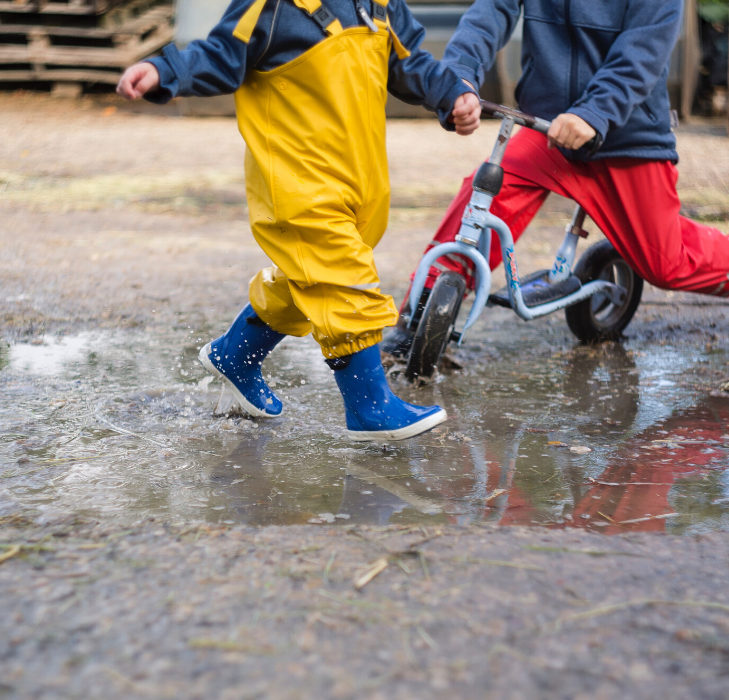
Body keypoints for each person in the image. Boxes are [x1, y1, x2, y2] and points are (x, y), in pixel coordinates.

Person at [116, 0, 484, 440]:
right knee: (343, 279)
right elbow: (220, 54)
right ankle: (370, 407)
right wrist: (165, 71)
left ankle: (236, 354)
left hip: (358, 179)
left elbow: (409, 62)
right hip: (296, 180)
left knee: (309, 277)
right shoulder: (271, 7)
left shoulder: (379, 5)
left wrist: (452, 94)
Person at [381, 0, 729, 359]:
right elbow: (490, 12)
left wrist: (593, 112)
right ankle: (419, 315)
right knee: (484, 200)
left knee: (666, 263)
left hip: (624, 136)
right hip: (545, 127)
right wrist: (459, 80)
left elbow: (644, 48)